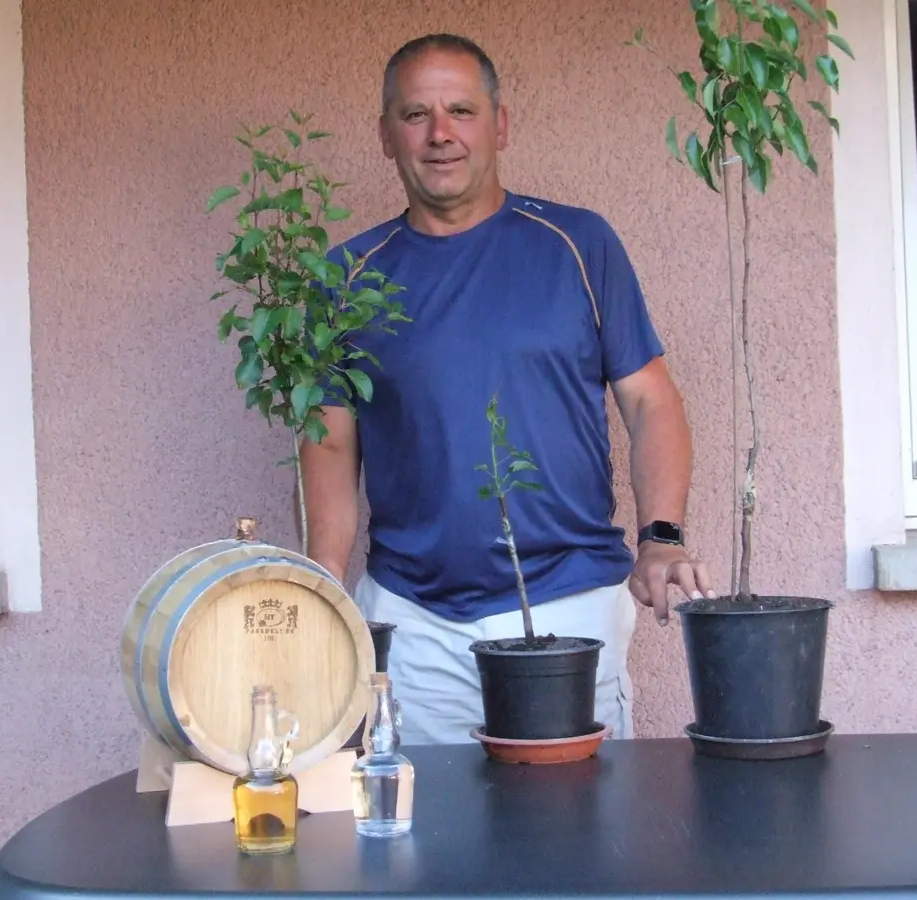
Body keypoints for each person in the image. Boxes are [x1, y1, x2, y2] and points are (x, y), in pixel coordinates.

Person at [299, 33, 713, 746]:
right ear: (386, 136)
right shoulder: (346, 279)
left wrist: (662, 539)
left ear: (500, 125)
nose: (440, 133)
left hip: (571, 608)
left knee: (581, 814)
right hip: (415, 622)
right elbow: (330, 443)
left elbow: (650, 401)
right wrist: (324, 585)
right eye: (416, 114)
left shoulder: (579, 244)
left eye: (461, 110)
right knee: (426, 815)